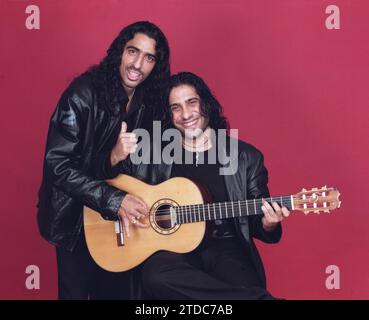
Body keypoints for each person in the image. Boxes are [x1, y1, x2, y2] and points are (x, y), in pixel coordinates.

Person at [114, 72, 290, 299]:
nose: (185, 114)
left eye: (192, 103)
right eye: (175, 107)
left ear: (206, 103)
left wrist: (268, 223)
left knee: (243, 285)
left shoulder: (246, 157)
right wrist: (115, 156)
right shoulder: (152, 154)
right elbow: (109, 186)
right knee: (155, 277)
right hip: (171, 250)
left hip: (226, 246)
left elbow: (259, 225)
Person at [37, 21, 170, 299]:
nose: (137, 64)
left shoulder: (149, 101)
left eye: (149, 58)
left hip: (119, 224)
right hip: (74, 219)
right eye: (133, 51)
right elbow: (58, 165)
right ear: (119, 51)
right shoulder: (81, 94)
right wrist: (115, 198)